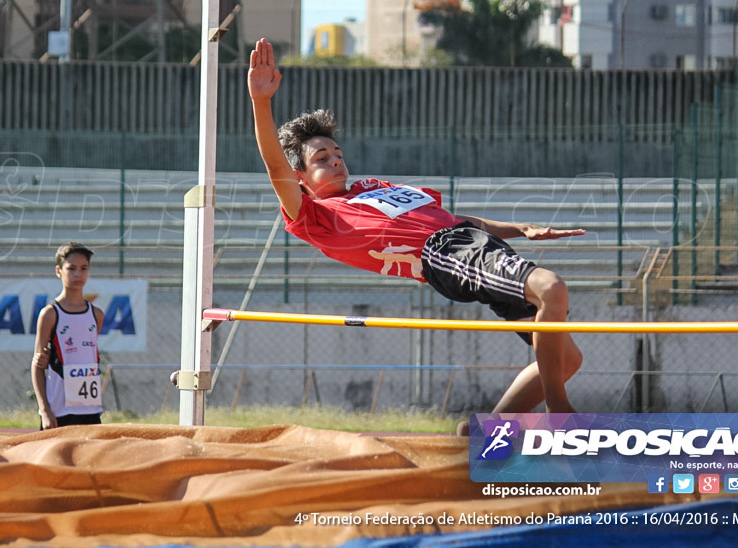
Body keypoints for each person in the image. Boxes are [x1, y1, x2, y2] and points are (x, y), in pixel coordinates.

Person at [246, 38, 585, 418]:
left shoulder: (374, 187)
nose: (336, 161)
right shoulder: (313, 214)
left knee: (567, 358)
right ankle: (560, 412)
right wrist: (262, 102)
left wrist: (519, 229)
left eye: (338, 154)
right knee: (552, 287)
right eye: (322, 159)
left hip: (472, 243)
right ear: (301, 177)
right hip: (446, 253)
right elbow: (276, 167)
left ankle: (480, 432)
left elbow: (456, 221)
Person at [32, 242, 105, 429]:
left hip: (90, 409)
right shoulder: (50, 314)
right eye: (71, 268)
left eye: (83, 268)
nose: (78, 274)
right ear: (59, 271)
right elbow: (38, 364)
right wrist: (45, 410)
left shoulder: (96, 315)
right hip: (60, 410)